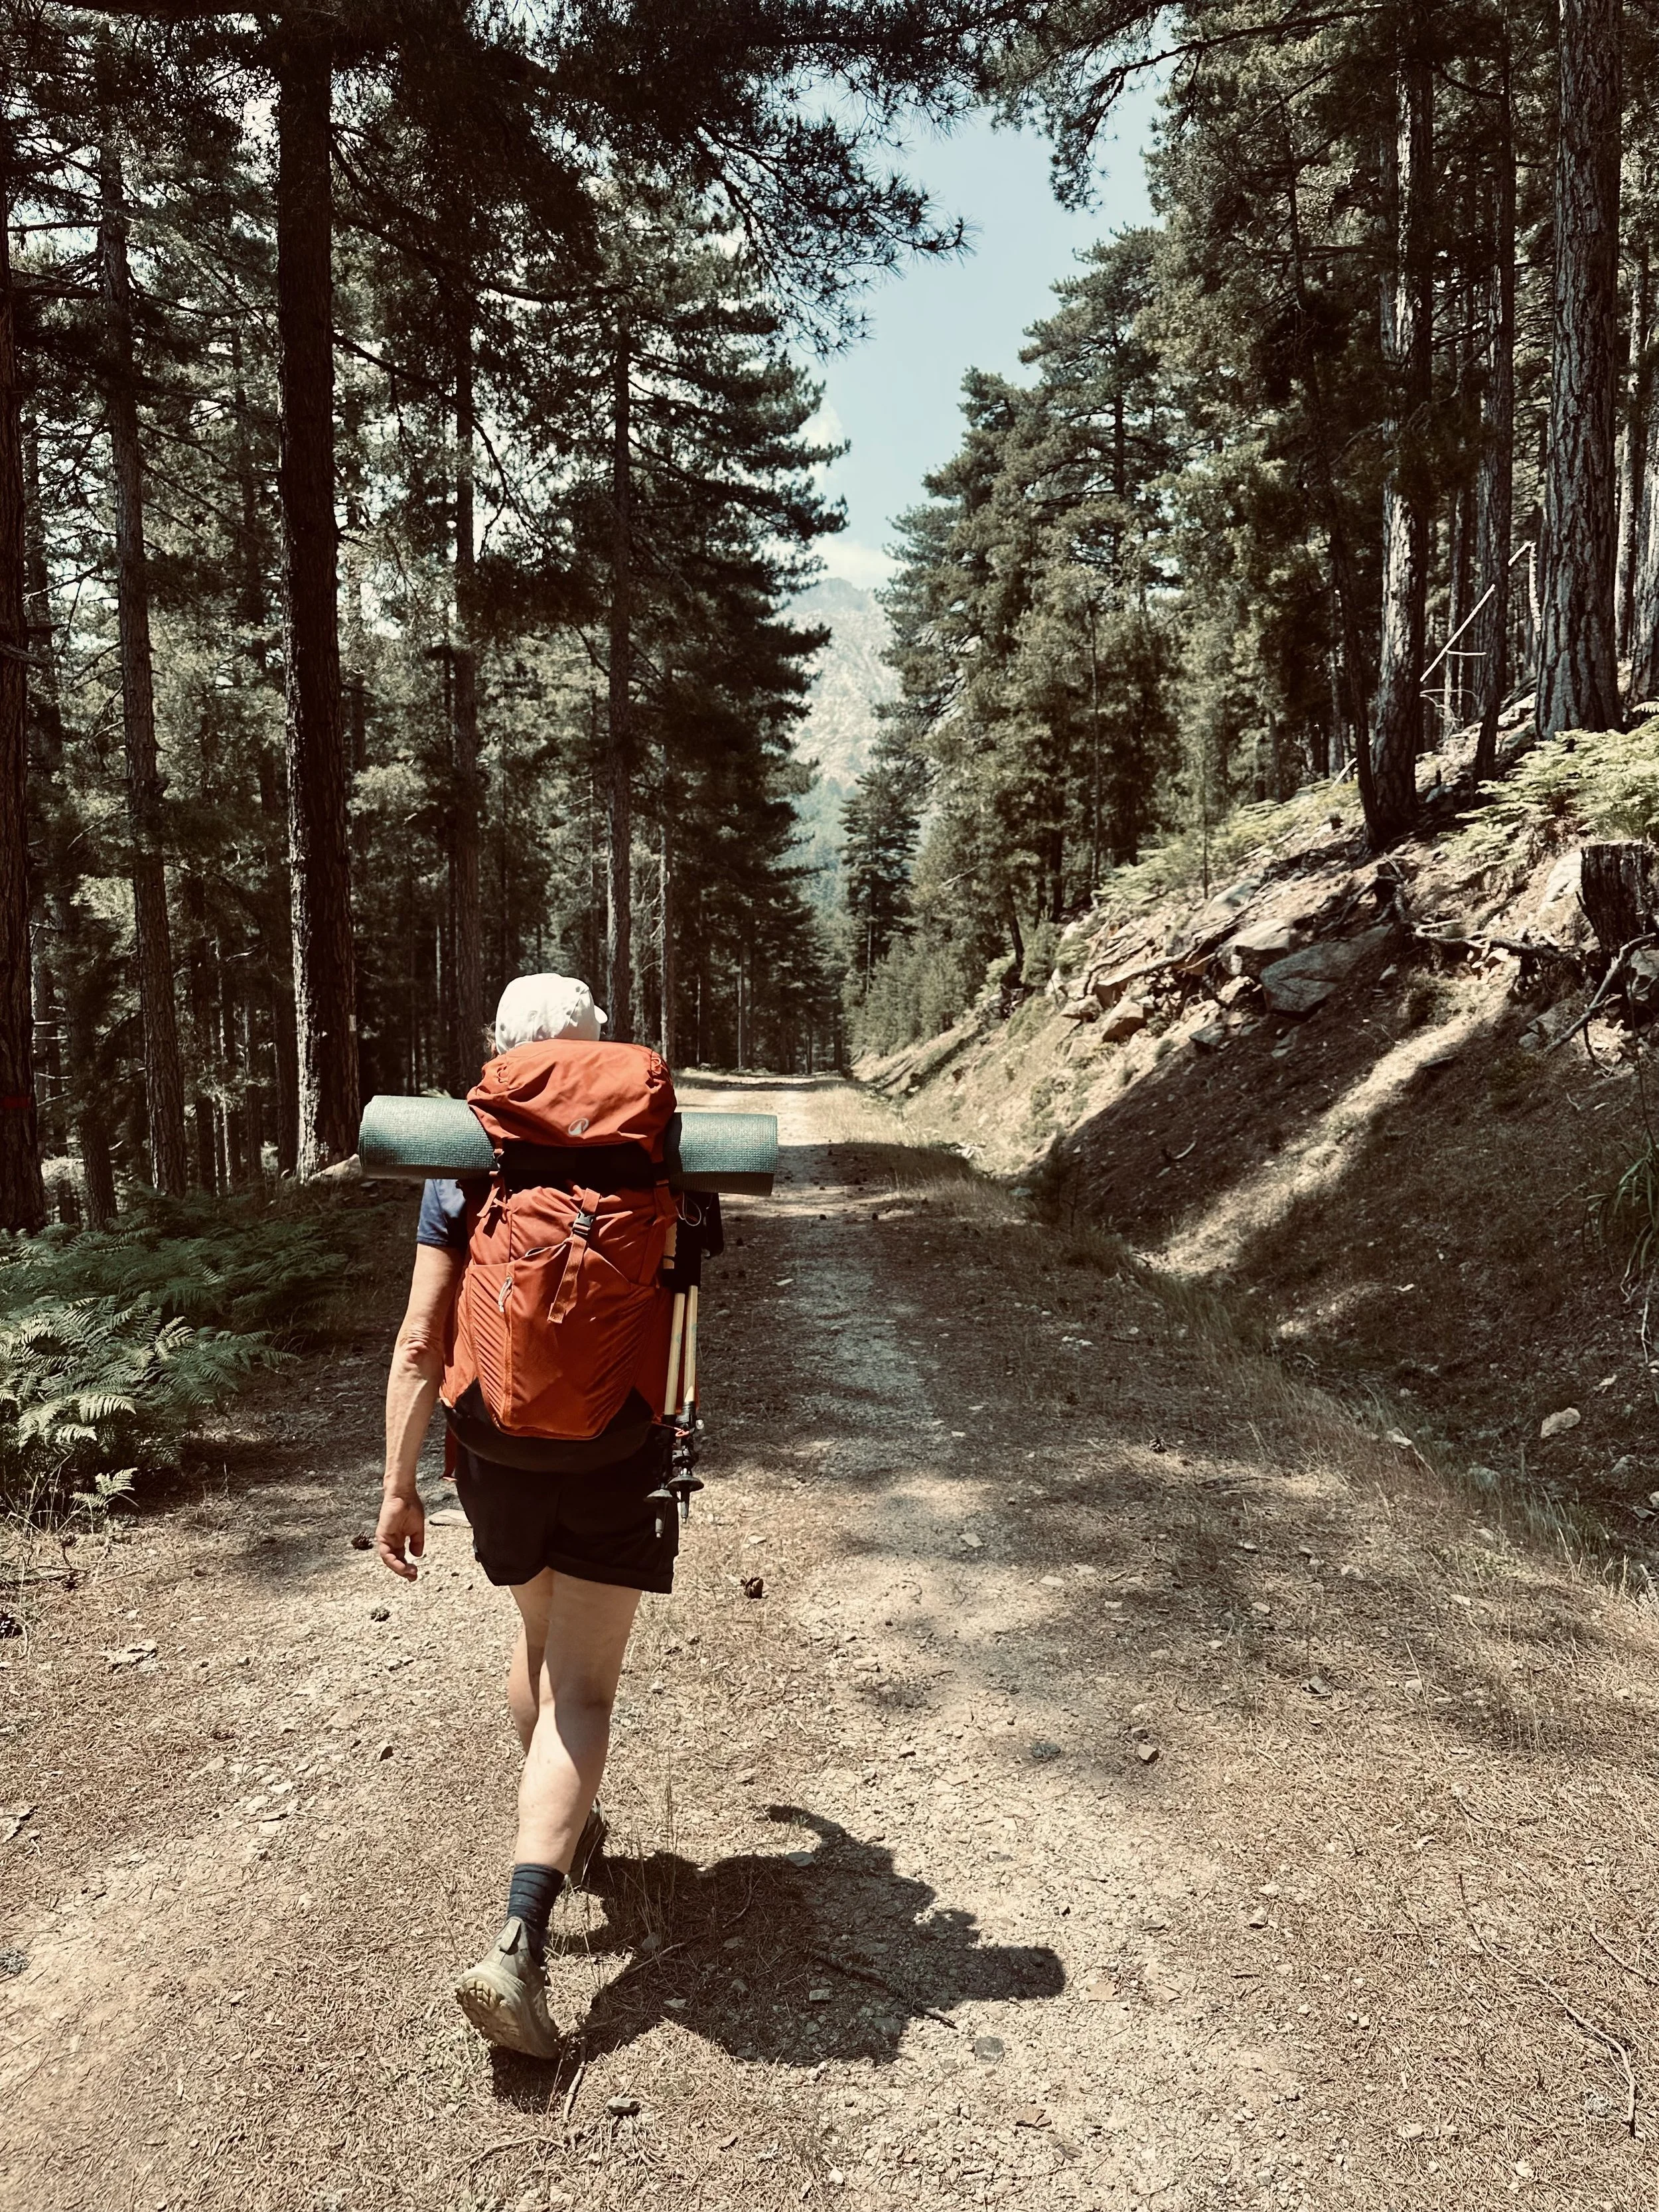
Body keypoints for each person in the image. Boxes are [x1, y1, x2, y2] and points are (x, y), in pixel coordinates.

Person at [374, 974, 680, 2059]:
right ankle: (520, 1933)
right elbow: (687, 1318)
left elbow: (420, 1338)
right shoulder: (661, 1148)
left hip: (492, 1445)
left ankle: (565, 1827)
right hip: (617, 1441)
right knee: (584, 1690)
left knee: (536, 1636)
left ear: (501, 1055)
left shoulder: (472, 1157)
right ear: (599, 1050)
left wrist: (400, 1486)